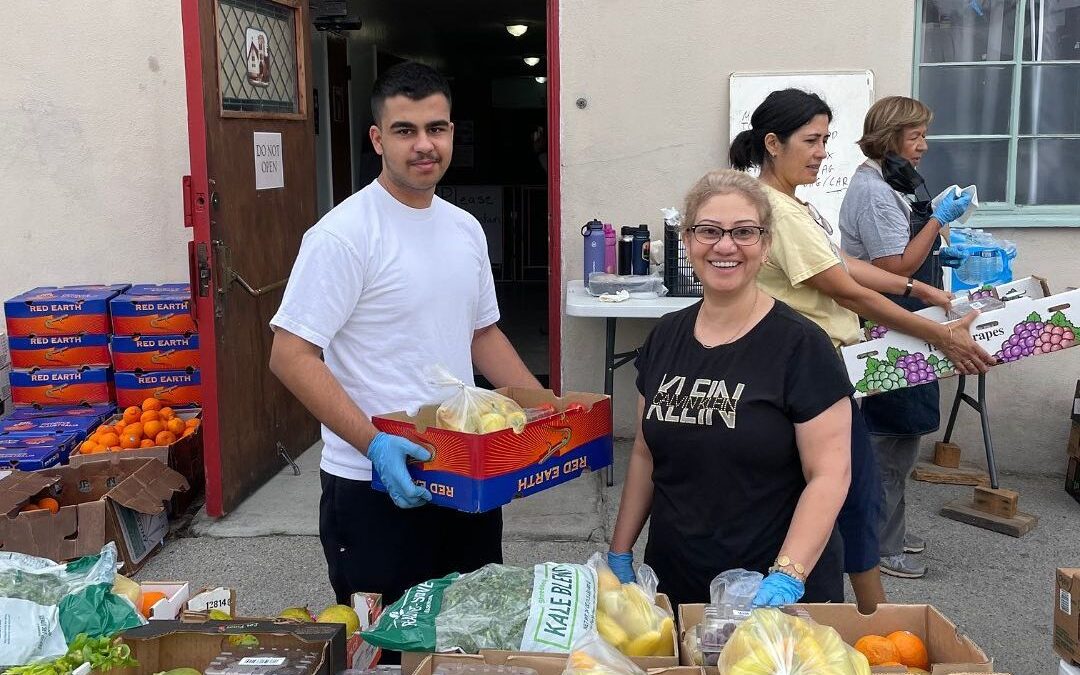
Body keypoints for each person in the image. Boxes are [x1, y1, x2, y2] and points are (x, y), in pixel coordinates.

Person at [268, 62, 541, 654]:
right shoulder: (343, 235)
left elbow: (482, 335)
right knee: (387, 648)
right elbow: (291, 355)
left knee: (470, 634)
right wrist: (375, 444)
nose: (425, 145)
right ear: (377, 139)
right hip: (375, 486)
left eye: (436, 129)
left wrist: (543, 417)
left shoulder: (465, 228)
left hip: (463, 472)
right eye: (405, 130)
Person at [728, 88, 995, 613]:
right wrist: (936, 331)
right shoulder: (774, 208)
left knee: (855, 493)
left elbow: (844, 264)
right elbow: (844, 289)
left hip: (824, 370)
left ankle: (867, 616)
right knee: (850, 495)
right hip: (807, 376)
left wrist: (920, 291)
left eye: (826, 138)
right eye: (811, 140)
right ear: (773, 143)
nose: (823, 151)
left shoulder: (792, 206)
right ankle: (863, 618)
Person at [607, 169, 854, 610]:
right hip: (675, 581)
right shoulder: (664, 337)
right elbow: (646, 453)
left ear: (766, 243)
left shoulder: (801, 346)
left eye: (744, 232)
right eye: (709, 231)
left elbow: (830, 474)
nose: (725, 246)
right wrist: (620, 551)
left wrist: (787, 576)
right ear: (687, 240)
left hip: (769, 586)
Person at [839, 96, 971, 579]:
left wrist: (940, 248)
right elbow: (893, 266)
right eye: (915, 136)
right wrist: (939, 221)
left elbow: (908, 251)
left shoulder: (893, 180)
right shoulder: (874, 190)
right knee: (890, 436)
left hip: (911, 315)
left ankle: (888, 528)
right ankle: (878, 545)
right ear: (891, 137)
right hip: (892, 322)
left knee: (906, 431)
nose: (923, 145)